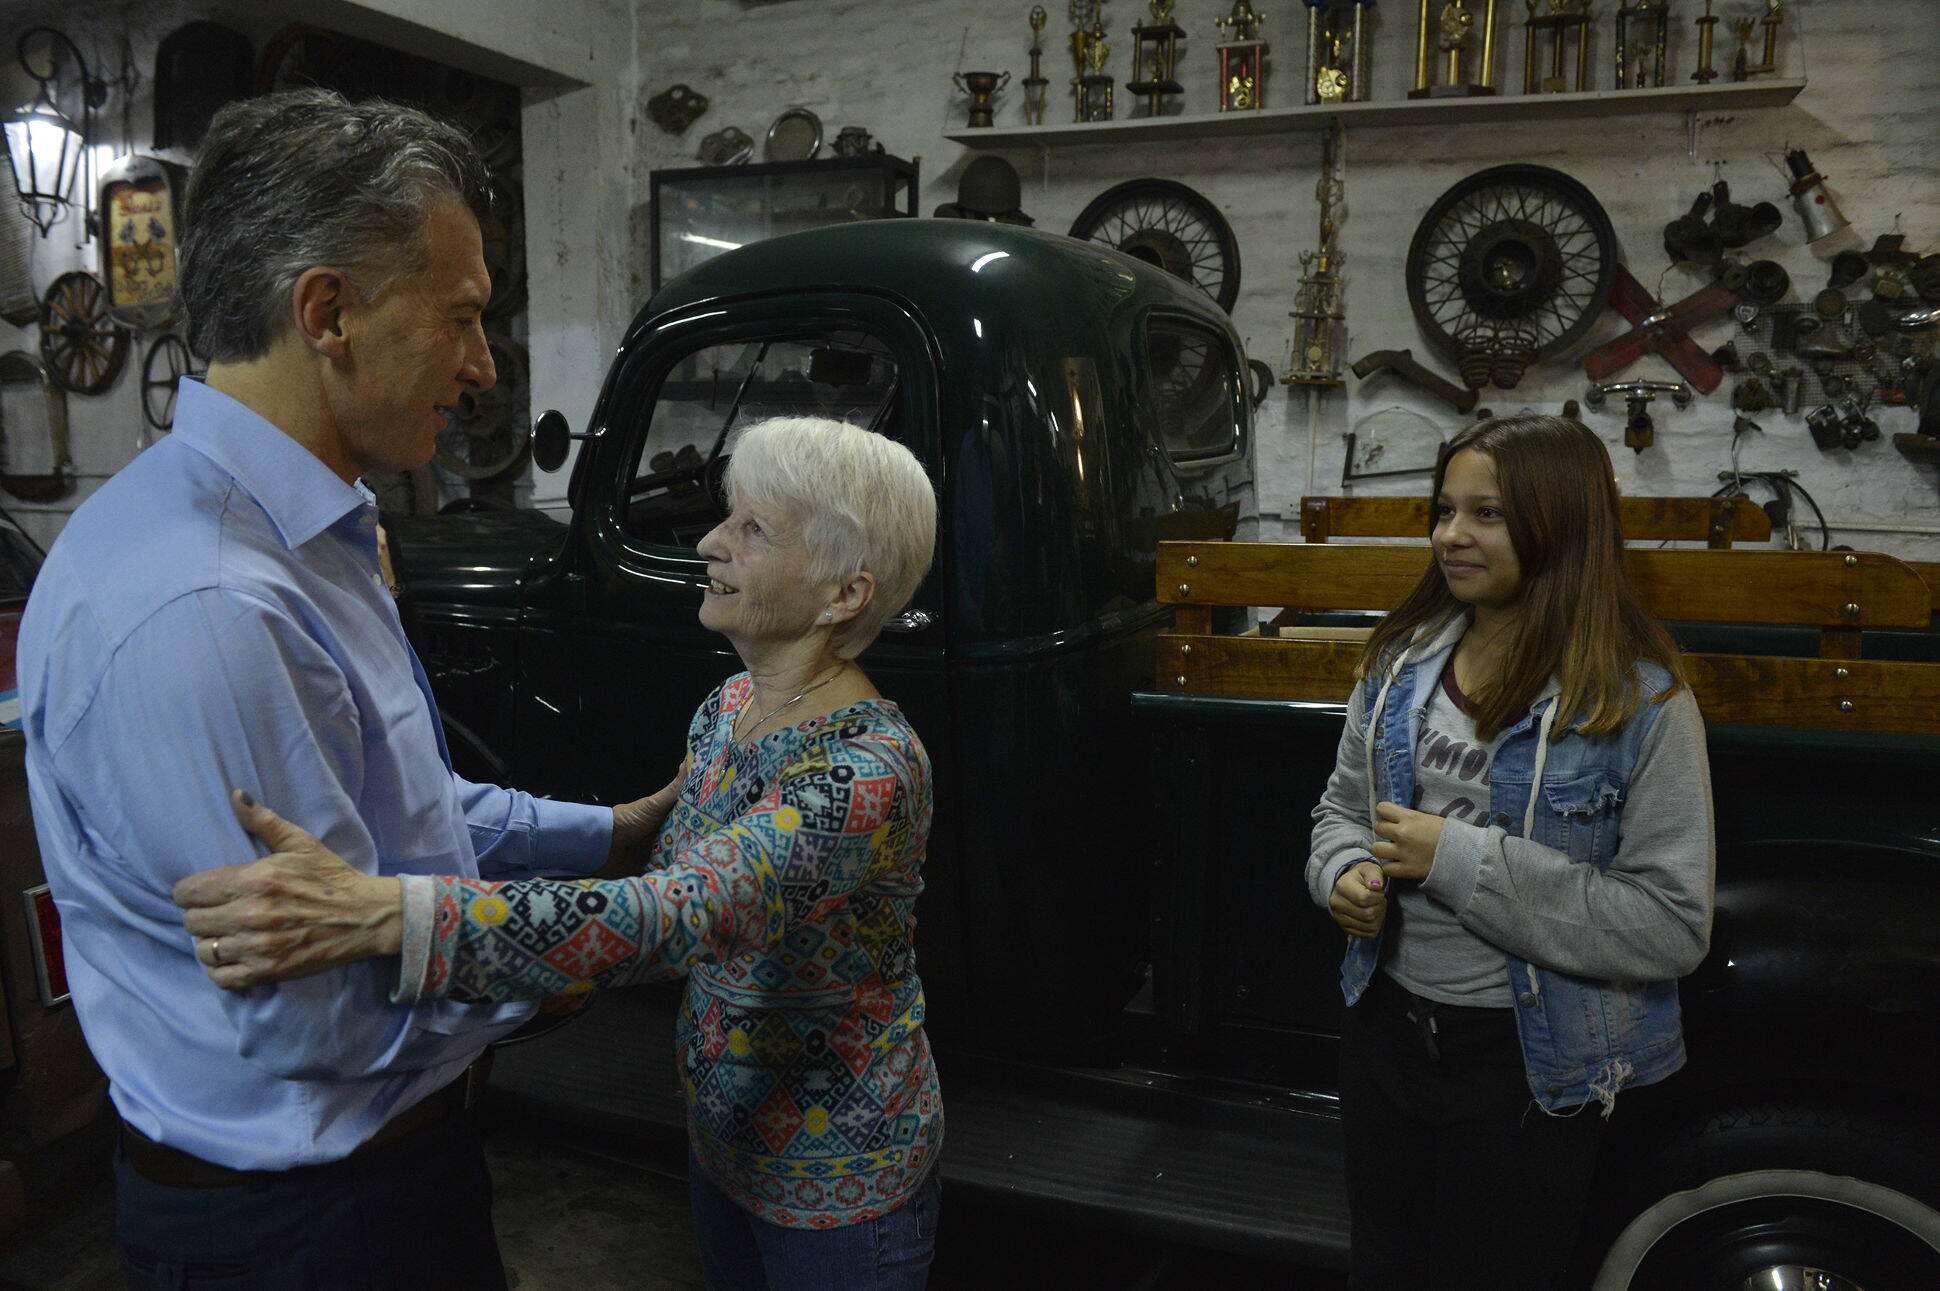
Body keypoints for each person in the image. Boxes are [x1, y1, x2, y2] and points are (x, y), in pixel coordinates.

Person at [16, 90, 668, 1289]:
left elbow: (399, 821)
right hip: (307, 1230)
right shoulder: (210, 604)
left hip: (393, 1173)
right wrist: (588, 954)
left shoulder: (314, 527)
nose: (480, 368)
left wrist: (617, 834)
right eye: (462, 317)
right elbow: (323, 1016)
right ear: (326, 312)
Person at [174, 415, 944, 1291]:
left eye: (752, 529)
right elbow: (668, 894)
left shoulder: (864, 769)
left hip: (839, 1179)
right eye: (729, 517)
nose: (709, 542)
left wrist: (393, 917)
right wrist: (606, 869)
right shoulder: (731, 707)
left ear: (845, 595)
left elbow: (682, 914)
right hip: (729, 1140)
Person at [1305, 415, 1717, 1290]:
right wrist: (1339, 873)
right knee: (1382, 1268)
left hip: (1531, 1064)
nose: (1451, 534)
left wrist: (1455, 855)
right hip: (1386, 1028)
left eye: (1486, 513)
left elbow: (1670, 924)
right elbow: (1340, 812)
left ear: (1558, 522)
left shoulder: (1641, 700)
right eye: (1445, 509)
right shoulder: (1399, 664)